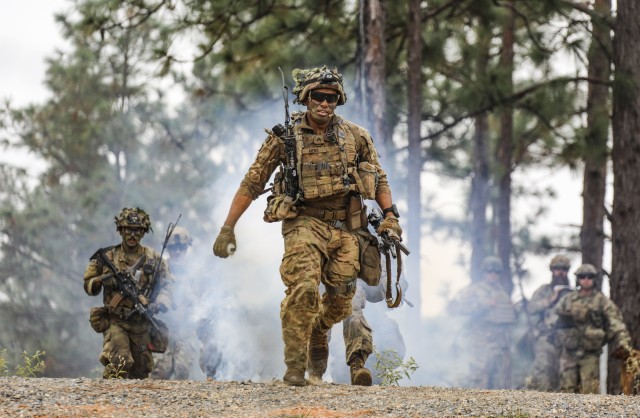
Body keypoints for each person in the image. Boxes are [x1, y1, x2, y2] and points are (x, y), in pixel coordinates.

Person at [212, 66, 402, 386]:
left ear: (338, 100)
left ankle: (318, 330)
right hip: (303, 221)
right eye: (318, 96)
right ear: (306, 97)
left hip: (345, 227)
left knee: (342, 301)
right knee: (302, 289)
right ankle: (295, 367)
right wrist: (228, 227)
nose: (325, 104)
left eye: (331, 98)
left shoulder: (356, 136)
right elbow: (253, 182)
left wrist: (390, 216)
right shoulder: (285, 138)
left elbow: (379, 178)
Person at [83, 207, 173, 379]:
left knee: (140, 375)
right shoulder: (107, 257)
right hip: (117, 322)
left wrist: (160, 303)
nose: (132, 234)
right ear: (121, 230)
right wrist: (102, 279)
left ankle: (131, 406)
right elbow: (88, 284)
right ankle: (109, 401)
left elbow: (168, 284)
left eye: (137, 230)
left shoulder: (153, 258)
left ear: (143, 232)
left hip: (141, 324)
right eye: (128, 230)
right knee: (120, 362)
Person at [554, 263, 634, 394]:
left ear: (594, 279)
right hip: (569, 352)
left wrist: (624, 342)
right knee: (566, 391)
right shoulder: (567, 300)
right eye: (582, 276)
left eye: (589, 277)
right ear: (578, 279)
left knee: (589, 392)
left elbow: (616, 322)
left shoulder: (602, 301)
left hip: (590, 354)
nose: (586, 280)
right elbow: (553, 321)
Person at [449, 256, 516, 389]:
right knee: (479, 377)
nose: (493, 275)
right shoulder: (474, 290)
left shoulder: (502, 292)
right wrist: (483, 304)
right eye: (489, 271)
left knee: (501, 379)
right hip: (481, 340)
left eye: (496, 272)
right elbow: (460, 308)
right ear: (484, 273)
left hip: (501, 341)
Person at [151, 226, 198, 380]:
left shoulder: (196, 272)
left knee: (182, 370)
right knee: (158, 375)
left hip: (186, 332)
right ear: (167, 249)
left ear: (187, 248)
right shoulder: (158, 270)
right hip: (162, 332)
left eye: (181, 248)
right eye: (173, 248)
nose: (177, 252)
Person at [526, 254, 572, 391]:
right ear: (552, 270)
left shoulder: (573, 293)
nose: (560, 272)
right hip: (546, 339)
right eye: (557, 269)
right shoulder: (543, 291)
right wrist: (551, 299)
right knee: (544, 374)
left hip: (568, 340)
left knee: (567, 377)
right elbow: (531, 308)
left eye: (564, 269)